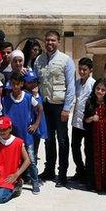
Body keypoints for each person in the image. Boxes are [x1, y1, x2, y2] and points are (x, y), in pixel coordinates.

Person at [33, 30, 74, 186]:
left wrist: (67, 108)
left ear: (58, 42)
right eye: (47, 40)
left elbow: (70, 85)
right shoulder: (39, 60)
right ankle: (49, 170)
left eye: (53, 40)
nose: (50, 43)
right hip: (45, 105)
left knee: (62, 140)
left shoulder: (66, 60)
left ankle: (62, 174)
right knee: (48, 139)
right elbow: (36, 81)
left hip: (60, 105)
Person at [1, 71, 41, 194]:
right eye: (13, 84)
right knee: (15, 160)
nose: (15, 87)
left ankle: (35, 181)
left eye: (18, 84)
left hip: (26, 135)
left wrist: (35, 124)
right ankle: (17, 179)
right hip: (13, 137)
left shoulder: (28, 97)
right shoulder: (6, 100)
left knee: (31, 159)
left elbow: (40, 108)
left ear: (22, 84)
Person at [0, 116, 31, 204]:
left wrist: (17, 174)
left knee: (0, 198)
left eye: (4, 129)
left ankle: (16, 188)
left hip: (11, 176)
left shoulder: (18, 142)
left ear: (10, 128)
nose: (2, 132)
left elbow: (27, 160)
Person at [83, 78, 106, 193]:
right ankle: (93, 184)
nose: (100, 91)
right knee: (92, 159)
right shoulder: (90, 102)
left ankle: (105, 184)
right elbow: (85, 121)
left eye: (103, 90)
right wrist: (92, 118)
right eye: (98, 89)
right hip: (93, 137)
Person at [70, 57, 95, 183]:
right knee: (74, 147)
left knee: (88, 149)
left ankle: (89, 174)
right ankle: (80, 170)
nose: (82, 72)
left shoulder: (93, 84)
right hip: (76, 121)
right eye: (80, 69)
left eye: (84, 69)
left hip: (88, 122)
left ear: (90, 70)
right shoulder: (77, 82)